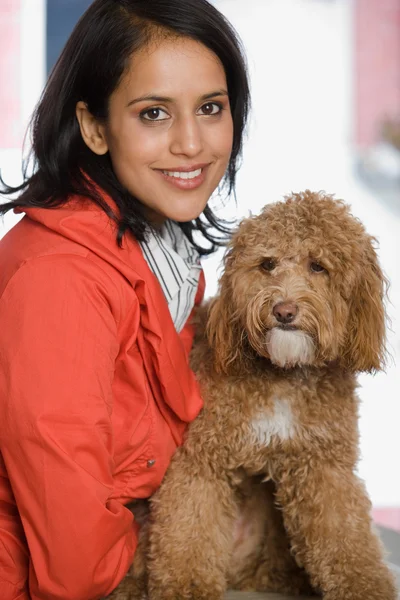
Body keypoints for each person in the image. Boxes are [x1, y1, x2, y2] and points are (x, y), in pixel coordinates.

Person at [0, 1, 250, 599]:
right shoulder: (63, 277)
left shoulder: (161, 252)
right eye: (154, 113)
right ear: (93, 127)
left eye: (211, 108)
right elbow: (73, 553)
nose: (191, 143)